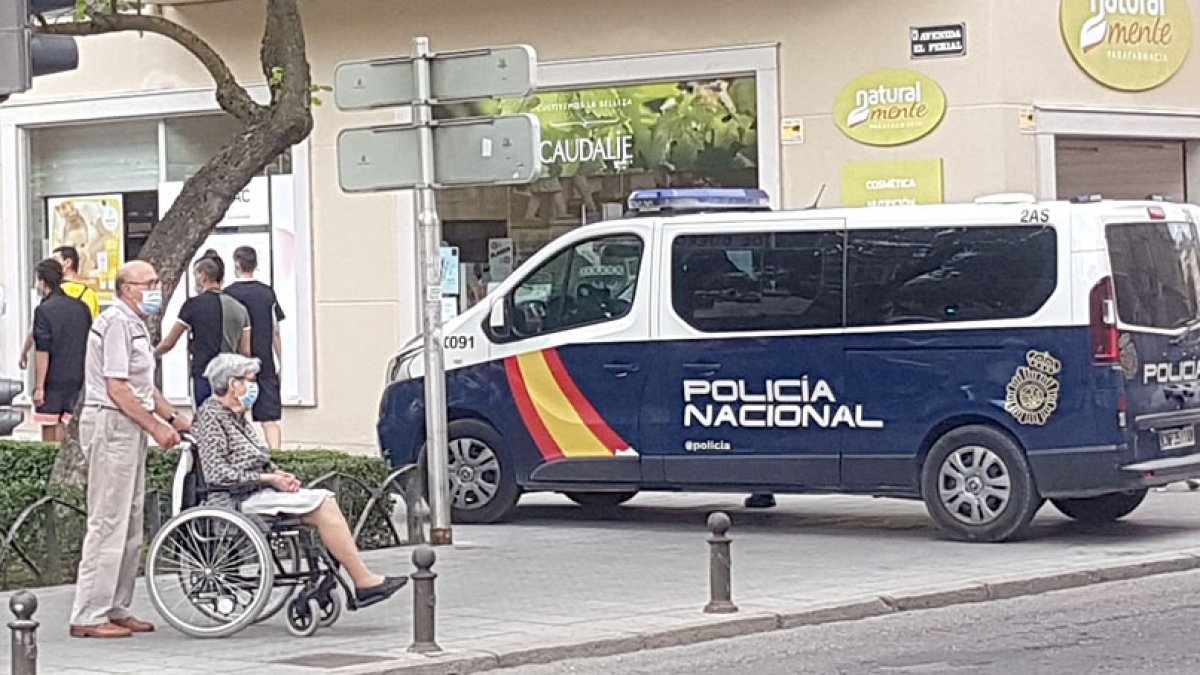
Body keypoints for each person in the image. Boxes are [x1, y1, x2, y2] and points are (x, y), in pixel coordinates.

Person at [195, 353, 407, 608]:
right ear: (233, 384)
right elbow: (217, 473)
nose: (254, 387)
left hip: (253, 492)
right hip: (234, 500)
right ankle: (362, 580)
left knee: (324, 502)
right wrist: (269, 478)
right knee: (323, 503)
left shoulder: (235, 417)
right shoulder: (211, 417)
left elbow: (255, 460)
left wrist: (279, 475)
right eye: (250, 380)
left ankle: (356, 579)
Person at [71, 260, 191, 639]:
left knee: (130, 518)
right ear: (127, 288)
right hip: (112, 424)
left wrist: (172, 417)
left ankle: (116, 605)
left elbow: (142, 385)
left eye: (157, 280)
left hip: (128, 425)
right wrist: (155, 426)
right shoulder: (117, 323)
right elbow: (117, 388)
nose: (156, 287)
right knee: (109, 518)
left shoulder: (136, 322)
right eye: (149, 282)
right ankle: (89, 612)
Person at [155, 256, 250, 409]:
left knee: (204, 421)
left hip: (203, 373)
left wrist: (151, 354)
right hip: (231, 378)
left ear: (203, 276)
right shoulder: (240, 308)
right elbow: (245, 350)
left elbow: (169, 342)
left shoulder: (193, 305)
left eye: (195, 275)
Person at [224, 246, 286, 449]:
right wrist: (280, 362)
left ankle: (239, 455)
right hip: (264, 361)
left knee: (234, 412)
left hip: (236, 364)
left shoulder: (228, 294)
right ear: (255, 265)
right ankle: (277, 456)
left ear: (236, 264)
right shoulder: (267, 293)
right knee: (269, 419)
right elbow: (275, 330)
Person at [30, 259, 92, 443]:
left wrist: (40, 387)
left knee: (50, 431)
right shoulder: (81, 307)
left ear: (43, 281)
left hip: (53, 377)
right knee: (69, 427)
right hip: (79, 375)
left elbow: (43, 349)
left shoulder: (43, 310)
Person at [18, 245, 98, 370]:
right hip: (82, 360)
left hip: (55, 361)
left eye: (55, 260)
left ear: (67, 263)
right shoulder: (88, 293)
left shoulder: (51, 295)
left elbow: (36, 328)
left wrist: (24, 351)